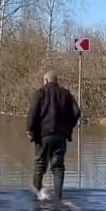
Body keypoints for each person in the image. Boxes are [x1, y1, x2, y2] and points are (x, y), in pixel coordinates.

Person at [26, 71, 81, 200]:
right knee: (58, 167)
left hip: (43, 135)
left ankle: (37, 194)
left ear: (45, 80)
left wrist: (30, 131)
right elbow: (77, 112)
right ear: (56, 80)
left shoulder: (40, 93)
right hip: (60, 135)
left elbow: (32, 113)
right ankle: (58, 196)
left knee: (40, 164)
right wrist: (68, 127)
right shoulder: (66, 94)